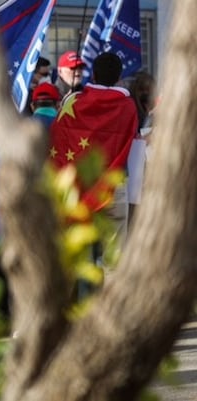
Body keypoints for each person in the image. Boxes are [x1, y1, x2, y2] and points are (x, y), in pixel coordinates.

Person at [50, 52, 138, 270]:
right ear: (119, 77)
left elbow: (59, 141)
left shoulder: (73, 101)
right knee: (115, 261)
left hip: (79, 189)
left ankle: (79, 302)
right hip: (114, 188)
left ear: (94, 75)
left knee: (77, 258)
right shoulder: (129, 107)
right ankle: (114, 303)